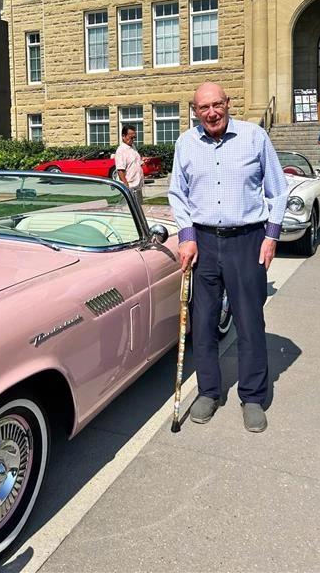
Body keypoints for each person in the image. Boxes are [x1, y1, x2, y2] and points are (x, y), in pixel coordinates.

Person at [168, 83, 288, 433]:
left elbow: (277, 190)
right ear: (195, 111)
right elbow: (178, 194)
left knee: (250, 321)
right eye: (203, 107)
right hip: (203, 243)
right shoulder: (185, 144)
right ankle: (208, 391)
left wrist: (271, 236)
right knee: (202, 322)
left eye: (216, 104)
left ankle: (252, 396)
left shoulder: (254, 137)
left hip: (246, 241)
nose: (211, 113)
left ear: (228, 104)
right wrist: (187, 237)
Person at [114, 123, 144, 206]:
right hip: (129, 188)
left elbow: (135, 162)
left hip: (137, 187)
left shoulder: (133, 147)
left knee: (138, 212)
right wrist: (126, 186)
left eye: (135, 137)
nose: (133, 139)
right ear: (123, 136)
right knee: (127, 212)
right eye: (131, 137)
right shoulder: (121, 150)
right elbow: (120, 170)